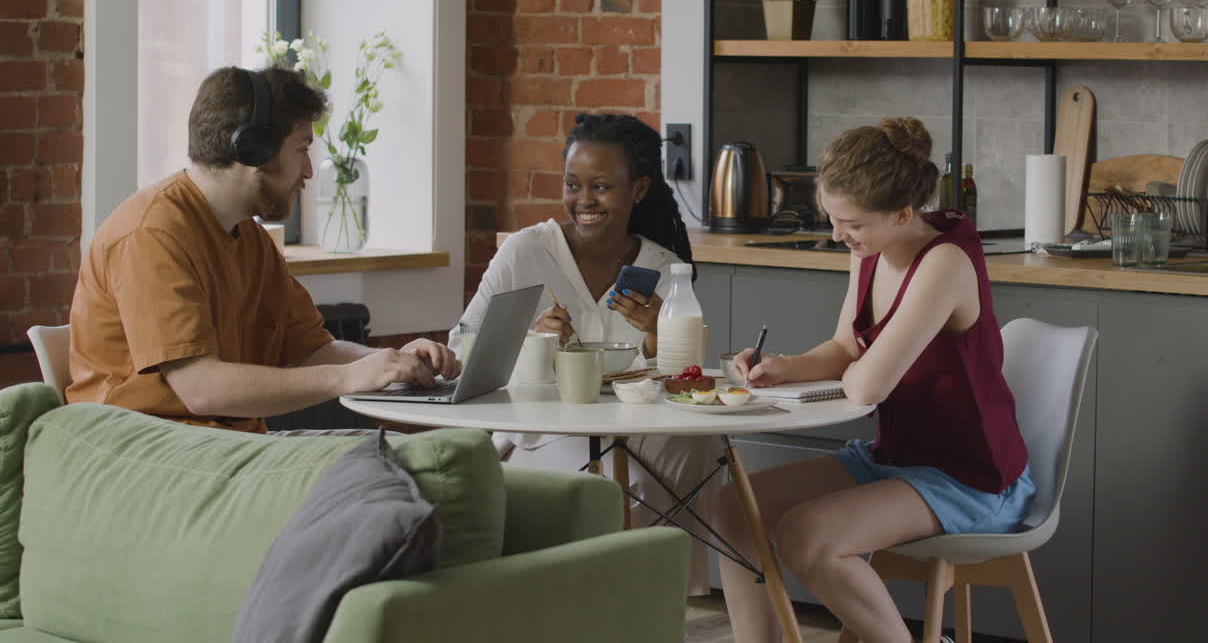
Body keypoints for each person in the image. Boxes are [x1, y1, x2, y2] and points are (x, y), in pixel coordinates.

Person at [717, 118, 1037, 643]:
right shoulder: (869, 250)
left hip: (970, 477)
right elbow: (847, 349)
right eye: (832, 218)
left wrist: (855, 368)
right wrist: (784, 365)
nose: (839, 235)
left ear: (904, 214)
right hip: (897, 457)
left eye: (852, 224)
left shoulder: (945, 264)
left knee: (807, 536)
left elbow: (867, 388)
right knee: (731, 508)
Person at [66, 66, 459, 434]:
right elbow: (201, 389)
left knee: (393, 462)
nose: (308, 172)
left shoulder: (250, 239)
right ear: (254, 149)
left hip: (225, 448)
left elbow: (312, 350)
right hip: (148, 453)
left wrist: (394, 362)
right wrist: (349, 377)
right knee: (385, 470)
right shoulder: (152, 233)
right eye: (302, 149)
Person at [451, 112, 720, 594]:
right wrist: (532, 336)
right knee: (618, 479)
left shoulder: (663, 266)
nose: (583, 201)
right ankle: (607, 593)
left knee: (702, 445)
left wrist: (661, 333)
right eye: (573, 185)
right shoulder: (525, 253)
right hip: (543, 430)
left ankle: (657, 590)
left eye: (600, 187)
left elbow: (687, 380)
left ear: (637, 190)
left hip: (634, 427)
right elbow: (461, 346)